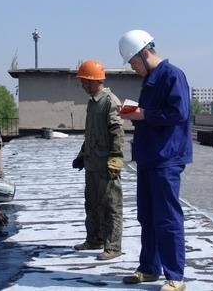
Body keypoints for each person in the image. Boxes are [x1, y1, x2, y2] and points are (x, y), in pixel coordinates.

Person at [118, 30, 192, 291]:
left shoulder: (172, 75)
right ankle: (149, 268)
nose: (133, 68)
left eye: (133, 62)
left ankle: (175, 277)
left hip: (166, 157)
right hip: (149, 157)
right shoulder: (151, 79)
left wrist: (142, 114)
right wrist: (138, 113)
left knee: (167, 218)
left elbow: (178, 112)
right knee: (148, 216)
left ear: (145, 53)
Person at [72, 60, 125, 261]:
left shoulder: (110, 101)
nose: (83, 86)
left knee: (111, 205)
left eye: (85, 82)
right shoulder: (92, 102)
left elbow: (117, 132)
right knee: (92, 204)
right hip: (92, 163)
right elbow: (91, 134)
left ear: (95, 81)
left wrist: (115, 159)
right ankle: (94, 239)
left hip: (106, 165)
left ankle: (113, 246)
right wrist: (82, 154)